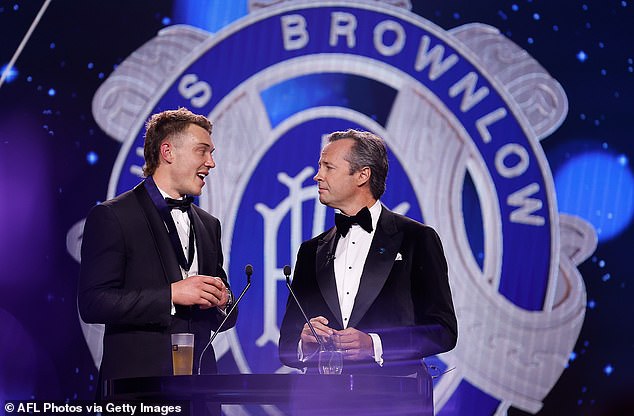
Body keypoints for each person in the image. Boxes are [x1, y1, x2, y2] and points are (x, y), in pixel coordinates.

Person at [279, 129, 457, 378]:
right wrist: (304, 343)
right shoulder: (311, 251)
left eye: (328, 167)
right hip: (323, 402)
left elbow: (443, 330)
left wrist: (374, 345)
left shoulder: (417, 239)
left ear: (362, 175)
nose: (318, 176)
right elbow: (286, 345)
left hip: (393, 399)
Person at [79, 108, 235, 386]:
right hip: (138, 388)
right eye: (202, 151)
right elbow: (93, 304)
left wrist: (223, 302)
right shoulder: (114, 216)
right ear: (168, 152)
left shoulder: (209, 225)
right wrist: (171, 295)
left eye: (211, 153)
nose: (211, 162)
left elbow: (223, 314)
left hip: (201, 392)